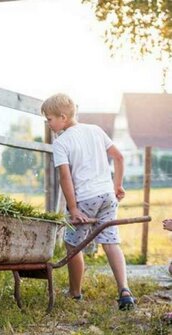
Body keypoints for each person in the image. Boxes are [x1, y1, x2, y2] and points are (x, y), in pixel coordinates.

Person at [41, 93, 135, 310]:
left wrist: (73, 209)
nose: (48, 124)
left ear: (63, 117)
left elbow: (65, 177)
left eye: (50, 119)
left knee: (73, 245)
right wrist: (118, 185)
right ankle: (124, 290)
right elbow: (119, 157)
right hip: (107, 196)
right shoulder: (95, 130)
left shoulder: (61, 142)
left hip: (85, 199)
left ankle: (75, 292)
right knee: (111, 242)